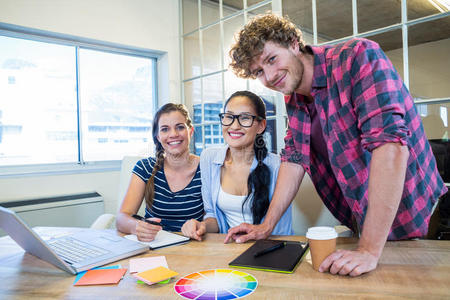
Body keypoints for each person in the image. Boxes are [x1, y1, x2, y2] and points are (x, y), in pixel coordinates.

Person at [224, 13, 448, 276]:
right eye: (258, 72)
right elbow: (294, 158)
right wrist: (266, 226)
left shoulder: (358, 57)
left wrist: (368, 250)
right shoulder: (294, 99)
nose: (270, 76)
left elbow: (390, 145)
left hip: (414, 215)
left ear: (294, 43)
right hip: (365, 221)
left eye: (272, 59)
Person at [181, 90, 292, 240]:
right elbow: (213, 216)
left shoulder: (279, 166)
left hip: (271, 249)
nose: (234, 126)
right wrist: (202, 226)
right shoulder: (209, 159)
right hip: (230, 248)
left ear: (261, 126)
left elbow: (282, 228)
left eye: (245, 118)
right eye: (228, 117)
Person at [116, 103, 204, 241]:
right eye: (165, 129)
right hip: (154, 247)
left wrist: (201, 225)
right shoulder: (145, 168)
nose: (173, 134)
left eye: (180, 127)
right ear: (158, 137)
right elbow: (121, 218)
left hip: (194, 247)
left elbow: (215, 220)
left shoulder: (206, 168)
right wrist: (137, 227)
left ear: (190, 131)